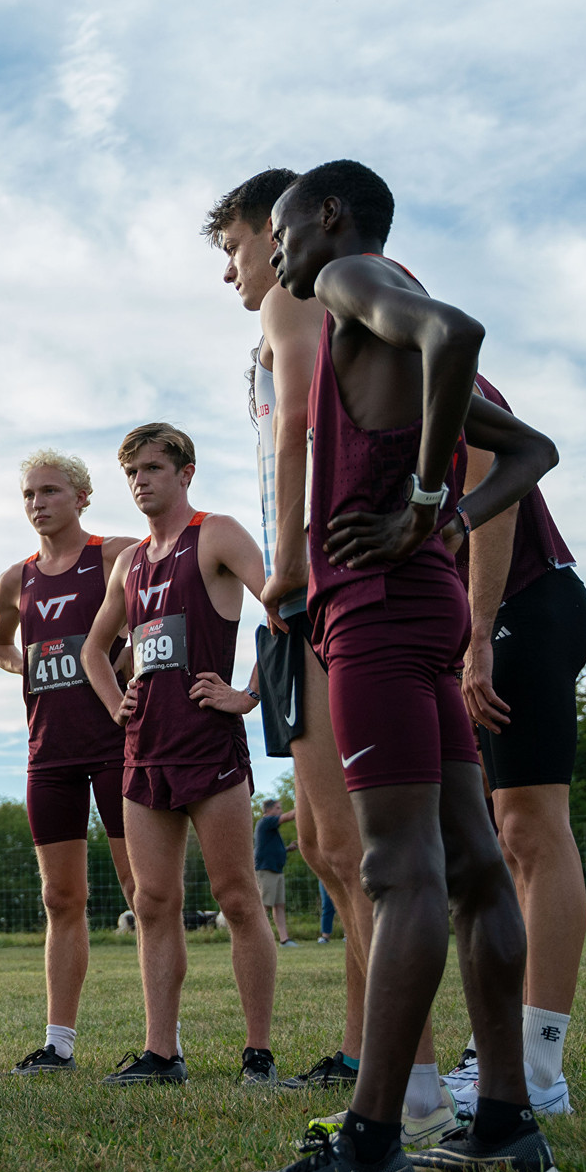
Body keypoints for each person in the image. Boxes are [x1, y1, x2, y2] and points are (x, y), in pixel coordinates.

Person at [228, 159, 560, 1172]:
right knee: (471, 864)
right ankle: (504, 1120)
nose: (276, 253)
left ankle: (373, 1145)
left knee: (399, 870)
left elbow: (458, 332)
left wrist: (423, 497)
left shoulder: (347, 282)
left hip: (374, 611)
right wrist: (447, 515)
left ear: (331, 217)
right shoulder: (377, 330)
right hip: (428, 604)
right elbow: (532, 448)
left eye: (281, 229)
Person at [207, 168, 372, 1092]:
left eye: (233, 248)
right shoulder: (296, 314)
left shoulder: (295, 301)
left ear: (277, 233)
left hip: (314, 589)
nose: (232, 270)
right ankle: (361, 1045)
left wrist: (292, 566)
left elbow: (306, 423)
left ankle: (402, 1062)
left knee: (349, 846)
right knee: (319, 843)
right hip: (298, 595)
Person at [78, 424, 280, 1087]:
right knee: (155, 900)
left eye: (153, 468)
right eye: (132, 471)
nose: (141, 481)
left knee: (238, 898)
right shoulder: (129, 562)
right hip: (144, 754)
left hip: (209, 748)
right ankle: (161, 1053)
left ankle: (258, 1054)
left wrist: (249, 694)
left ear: (185, 472)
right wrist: (116, 703)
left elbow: (279, 606)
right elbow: (92, 650)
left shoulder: (215, 533)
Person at [444, 377, 586, 1118]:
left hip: (527, 603)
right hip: (494, 615)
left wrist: (476, 636)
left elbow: (491, 494)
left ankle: (539, 1072)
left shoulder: (433, 359)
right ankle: (499, 1050)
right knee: (505, 839)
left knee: (534, 828)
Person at [0, 450, 136, 1075]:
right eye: (28, 494)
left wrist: (123, 665)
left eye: (49, 491)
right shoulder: (14, 578)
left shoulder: (116, 555)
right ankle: (59, 1044)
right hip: (48, 756)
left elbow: (164, 604)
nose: (37, 503)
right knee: (60, 897)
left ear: (82, 496)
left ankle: (166, 1041)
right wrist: (19, 662)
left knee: (145, 894)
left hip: (117, 745)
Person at [254, 799, 298, 945]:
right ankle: (256, 939)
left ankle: (284, 939)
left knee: (279, 905)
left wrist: (286, 849)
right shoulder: (265, 822)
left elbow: (269, 848)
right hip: (266, 870)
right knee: (264, 905)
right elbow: (287, 817)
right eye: (278, 808)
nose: (280, 811)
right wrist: (303, 809)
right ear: (268, 810)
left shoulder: (270, 829)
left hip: (276, 870)